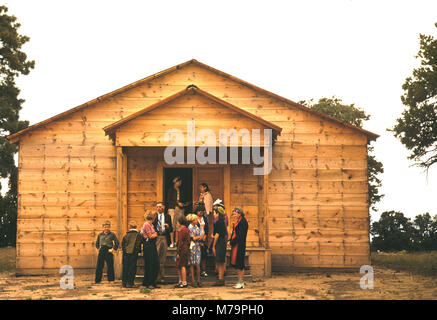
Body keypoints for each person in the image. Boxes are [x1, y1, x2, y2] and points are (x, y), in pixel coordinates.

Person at [152, 201, 173, 284]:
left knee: (162, 258)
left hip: (164, 237)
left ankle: (161, 278)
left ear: (163, 207)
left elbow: (171, 229)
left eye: (160, 206)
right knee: (155, 257)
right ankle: (155, 277)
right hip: (156, 238)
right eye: (157, 207)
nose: (158, 208)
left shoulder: (167, 216)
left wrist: (168, 227)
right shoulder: (154, 216)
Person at [230, 208, 249, 289]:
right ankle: (239, 281)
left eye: (235, 214)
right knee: (237, 263)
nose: (234, 215)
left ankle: (241, 282)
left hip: (239, 245)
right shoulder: (238, 221)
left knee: (240, 263)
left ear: (239, 214)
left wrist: (232, 241)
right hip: (236, 244)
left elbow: (240, 235)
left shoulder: (243, 222)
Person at [141, 211, 159, 289]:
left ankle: (152, 281)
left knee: (154, 263)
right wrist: (155, 234)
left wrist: (155, 234)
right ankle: (148, 282)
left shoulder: (151, 225)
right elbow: (151, 236)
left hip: (152, 245)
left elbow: (154, 234)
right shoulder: (146, 224)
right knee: (150, 264)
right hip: (148, 245)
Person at [121, 220, 142, 288]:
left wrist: (125, 251)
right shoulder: (138, 235)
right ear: (136, 227)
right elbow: (138, 244)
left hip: (126, 254)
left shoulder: (126, 235)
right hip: (133, 253)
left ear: (129, 227)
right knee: (132, 268)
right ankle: (130, 283)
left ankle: (124, 282)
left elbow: (123, 244)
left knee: (125, 267)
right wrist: (137, 251)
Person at [166, 176, 186, 247]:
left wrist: (183, 204)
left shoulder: (181, 190)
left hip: (179, 209)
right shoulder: (171, 190)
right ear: (175, 182)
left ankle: (177, 241)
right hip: (172, 209)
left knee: (178, 225)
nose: (180, 183)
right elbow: (168, 200)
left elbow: (183, 199)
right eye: (178, 182)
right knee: (172, 225)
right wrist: (177, 203)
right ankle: (172, 242)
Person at [212, 206, 227, 286]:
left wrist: (213, 245)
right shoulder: (222, 222)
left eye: (214, 213)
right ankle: (220, 278)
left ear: (218, 213)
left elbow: (217, 234)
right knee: (220, 261)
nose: (214, 214)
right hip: (222, 242)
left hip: (219, 243)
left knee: (220, 261)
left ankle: (220, 279)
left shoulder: (218, 222)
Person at [175, 216, 190, 288]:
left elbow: (180, 242)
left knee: (182, 265)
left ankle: (184, 282)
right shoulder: (187, 230)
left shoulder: (182, 230)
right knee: (180, 265)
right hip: (186, 249)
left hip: (182, 250)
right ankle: (181, 281)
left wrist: (178, 252)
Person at [187, 214, 202, 287]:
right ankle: (193, 280)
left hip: (197, 246)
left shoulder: (197, 227)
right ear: (192, 221)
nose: (197, 221)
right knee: (192, 264)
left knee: (198, 263)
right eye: (196, 220)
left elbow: (199, 236)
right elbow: (193, 238)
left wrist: (197, 237)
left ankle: (199, 280)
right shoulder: (189, 228)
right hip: (192, 246)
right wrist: (197, 237)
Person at [194, 203, 209, 277]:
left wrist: (205, 235)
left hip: (203, 238)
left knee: (203, 255)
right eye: (199, 211)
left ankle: (203, 270)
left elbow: (207, 228)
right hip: (196, 239)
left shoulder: (205, 219)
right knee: (196, 255)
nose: (200, 212)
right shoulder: (194, 219)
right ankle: (196, 270)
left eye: (202, 211)